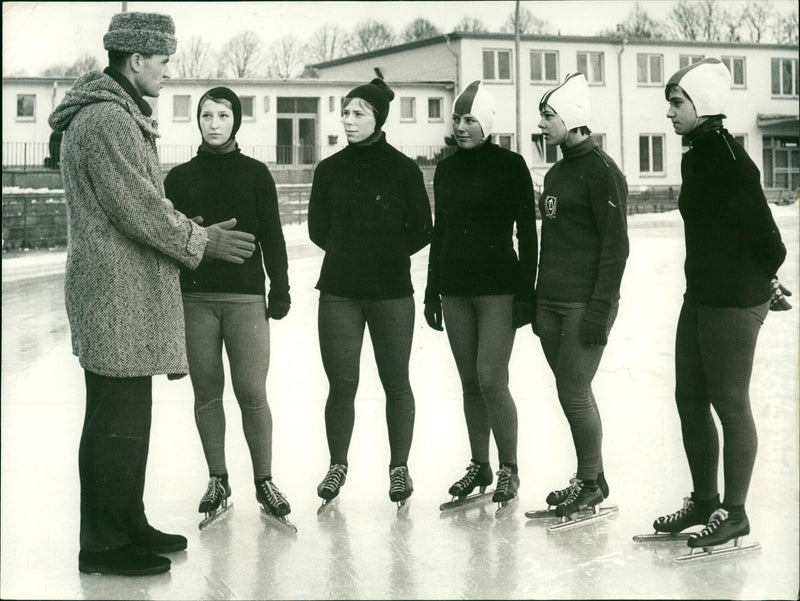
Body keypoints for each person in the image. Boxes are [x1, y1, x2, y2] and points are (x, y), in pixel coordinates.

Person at [48, 12, 256, 576]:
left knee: (126, 414)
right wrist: (201, 240)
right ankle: (104, 543)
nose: (168, 71)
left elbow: (138, 202)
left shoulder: (113, 115)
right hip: (115, 291)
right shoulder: (106, 122)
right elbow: (137, 207)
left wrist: (184, 229)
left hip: (124, 289)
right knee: (116, 414)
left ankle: (126, 521)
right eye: (163, 60)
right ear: (135, 59)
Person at [652, 58, 789, 549]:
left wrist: (764, 280)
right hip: (703, 294)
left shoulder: (731, 160)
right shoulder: (696, 154)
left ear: (702, 105)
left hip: (733, 299)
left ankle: (735, 512)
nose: (669, 112)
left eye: (676, 102)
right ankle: (706, 500)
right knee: (688, 396)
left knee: (730, 404)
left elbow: (769, 241)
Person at [163, 87, 292, 524]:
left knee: (253, 391)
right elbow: (169, 244)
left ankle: (264, 480)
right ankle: (217, 478)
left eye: (222, 116)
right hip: (195, 300)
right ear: (197, 121)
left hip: (245, 299)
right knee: (207, 392)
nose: (213, 124)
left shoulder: (255, 174)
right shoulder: (178, 178)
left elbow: (273, 235)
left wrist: (281, 287)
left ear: (235, 120)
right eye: (205, 116)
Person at [308, 77, 432, 507]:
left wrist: (383, 254)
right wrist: (351, 253)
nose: (349, 120)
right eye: (345, 112)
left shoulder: (404, 169)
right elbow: (316, 229)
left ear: (378, 117)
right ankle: (337, 463)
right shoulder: (329, 170)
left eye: (359, 112)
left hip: (391, 291)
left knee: (396, 382)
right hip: (340, 290)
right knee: (341, 383)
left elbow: (422, 230)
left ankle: (399, 468)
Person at [423, 81, 537, 506]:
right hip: (455, 290)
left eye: (470, 119)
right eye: (457, 118)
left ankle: (510, 468)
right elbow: (441, 234)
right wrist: (432, 292)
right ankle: (480, 464)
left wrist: (527, 293)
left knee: (492, 378)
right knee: (470, 381)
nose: (461, 126)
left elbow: (527, 233)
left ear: (487, 123)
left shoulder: (511, 166)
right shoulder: (447, 170)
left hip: (498, 290)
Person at [532, 73, 629, 519]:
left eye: (549, 116)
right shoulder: (555, 171)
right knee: (573, 391)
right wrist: (538, 299)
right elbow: (550, 243)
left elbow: (616, 248)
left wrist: (600, 310)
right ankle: (595, 475)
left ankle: (589, 483)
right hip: (550, 302)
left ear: (572, 119)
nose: (543, 125)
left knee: (573, 392)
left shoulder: (604, 173)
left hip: (584, 306)